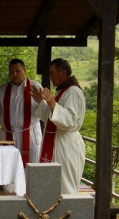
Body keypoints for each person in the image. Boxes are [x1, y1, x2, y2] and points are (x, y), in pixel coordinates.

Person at [31, 58, 86, 195]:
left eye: (52, 73)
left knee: (65, 184)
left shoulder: (72, 92)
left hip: (66, 145)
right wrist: (41, 101)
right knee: (54, 183)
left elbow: (71, 121)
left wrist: (54, 105)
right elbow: (50, 119)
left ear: (63, 73)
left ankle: (67, 213)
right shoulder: (63, 91)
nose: (50, 77)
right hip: (57, 142)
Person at [0, 59, 42, 165]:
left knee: (31, 167)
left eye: (18, 71)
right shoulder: (2, 90)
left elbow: (44, 113)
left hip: (30, 134)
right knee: (8, 167)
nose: (14, 74)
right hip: (8, 134)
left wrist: (40, 101)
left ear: (24, 71)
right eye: (11, 71)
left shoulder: (36, 87)